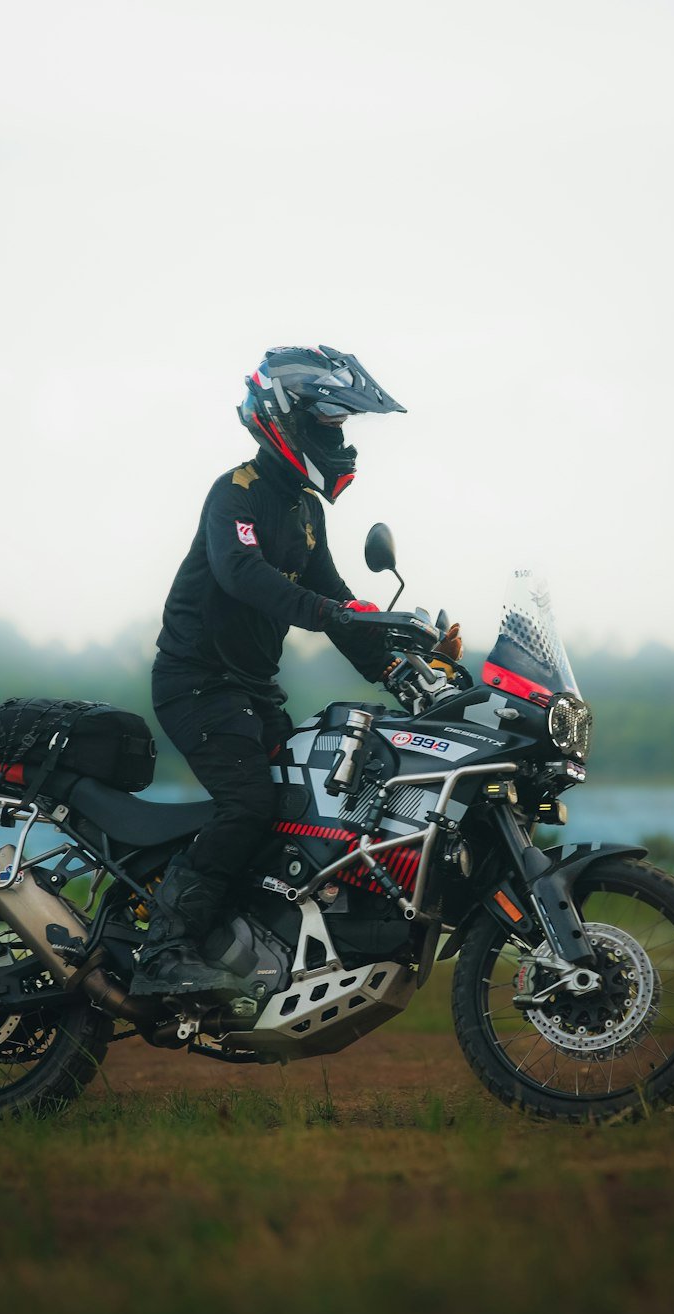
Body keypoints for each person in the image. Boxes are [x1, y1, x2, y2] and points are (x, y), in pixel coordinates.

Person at [130, 345, 460, 998]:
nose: (339, 443)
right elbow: (241, 574)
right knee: (248, 803)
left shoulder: (304, 512)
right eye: (329, 427)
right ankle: (162, 955)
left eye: (341, 430)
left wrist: (406, 672)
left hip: (251, 693)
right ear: (288, 421)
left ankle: (238, 941)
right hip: (196, 687)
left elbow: (339, 604)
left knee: (294, 808)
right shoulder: (238, 494)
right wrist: (331, 612)